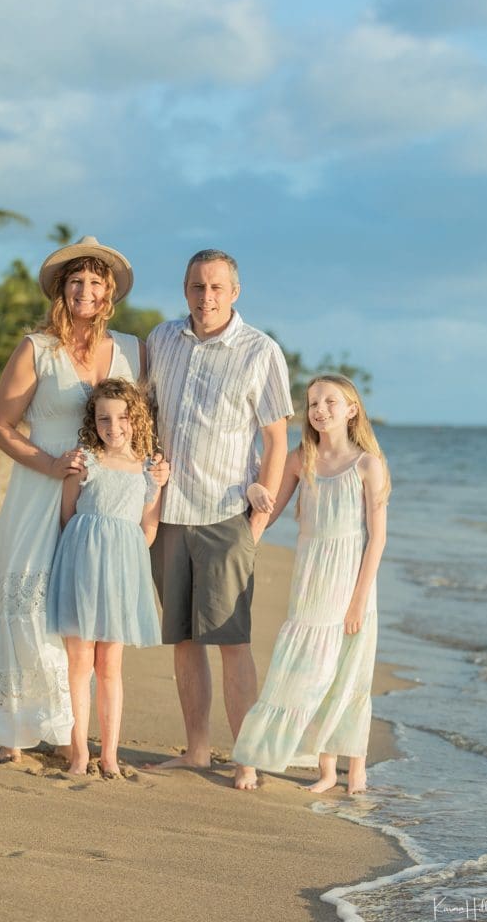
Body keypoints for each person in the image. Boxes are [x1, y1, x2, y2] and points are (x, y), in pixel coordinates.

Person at [0, 236, 167, 763]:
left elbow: (140, 422)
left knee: (82, 609)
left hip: (106, 498)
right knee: (33, 604)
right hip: (42, 486)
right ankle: (17, 727)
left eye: (96, 284)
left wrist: (150, 484)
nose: (87, 292)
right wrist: (51, 465)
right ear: (62, 291)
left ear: (109, 295)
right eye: (77, 282)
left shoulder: (130, 348)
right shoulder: (37, 348)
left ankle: (67, 731)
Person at [147, 249, 294, 791]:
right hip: (168, 514)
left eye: (215, 288)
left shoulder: (261, 351)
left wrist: (258, 521)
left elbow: (277, 439)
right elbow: (146, 415)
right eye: (195, 287)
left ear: (235, 292)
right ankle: (197, 752)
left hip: (227, 515)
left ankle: (247, 757)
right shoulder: (162, 340)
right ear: (184, 290)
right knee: (183, 641)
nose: (204, 297)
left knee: (233, 642)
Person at [233, 374, 390, 795]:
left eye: (330, 402)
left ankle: (347, 771)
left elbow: (377, 539)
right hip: (312, 578)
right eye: (314, 402)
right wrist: (246, 542)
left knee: (349, 675)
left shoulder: (368, 464)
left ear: (352, 409)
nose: (320, 409)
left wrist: (358, 602)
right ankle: (258, 757)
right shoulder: (302, 459)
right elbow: (271, 508)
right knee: (302, 668)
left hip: (352, 581)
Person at [47, 378, 162, 777]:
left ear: (137, 419)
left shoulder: (147, 470)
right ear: (92, 422)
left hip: (122, 572)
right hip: (81, 566)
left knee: (110, 664)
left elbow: (148, 530)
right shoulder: (85, 462)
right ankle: (80, 753)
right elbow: (68, 515)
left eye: (122, 417)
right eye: (104, 419)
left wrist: (124, 554)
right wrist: (89, 550)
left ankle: (109, 755)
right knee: (79, 661)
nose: (114, 427)